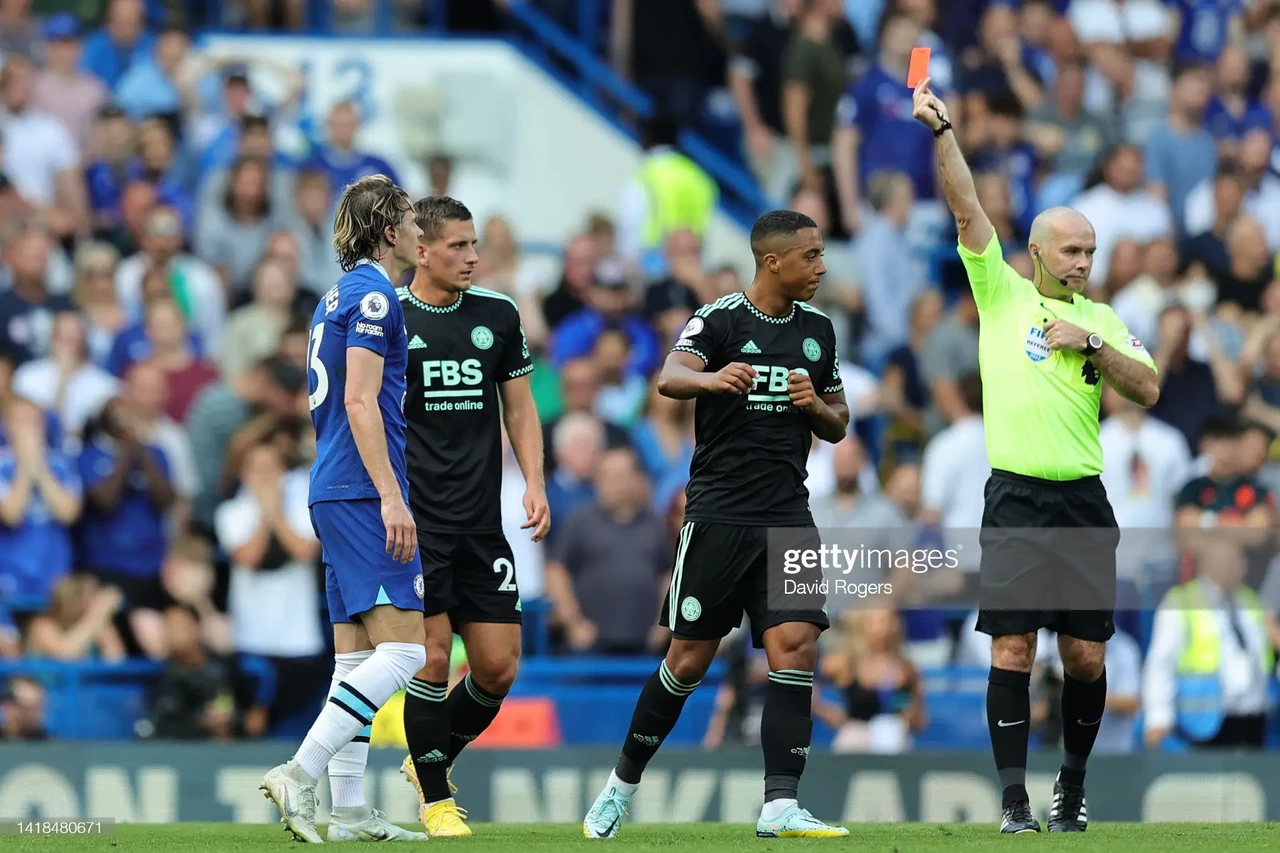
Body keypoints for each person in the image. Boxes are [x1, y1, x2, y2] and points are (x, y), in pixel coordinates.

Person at [911, 78, 1160, 834]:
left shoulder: (1105, 318)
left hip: (1083, 500)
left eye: (1090, 250)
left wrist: (1091, 343)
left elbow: (1147, 386)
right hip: (1016, 496)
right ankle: (1016, 799)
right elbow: (966, 206)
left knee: (1085, 657)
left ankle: (1072, 786)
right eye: (1072, 249)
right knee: (1013, 647)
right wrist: (944, 130)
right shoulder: (1003, 294)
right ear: (1038, 251)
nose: (1083, 261)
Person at [583, 210, 849, 839]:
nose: (821, 267)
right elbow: (669, 376)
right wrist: (713, 378)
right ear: (772, 262)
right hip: (719, 515)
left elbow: (839, 422)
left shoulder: (818, 331)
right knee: (689, 659)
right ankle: (620, 787)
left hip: (788, 513)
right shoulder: (721, 319)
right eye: (810, 256)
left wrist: (817, 407)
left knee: (797, 647)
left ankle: (780, 803)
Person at [258, 174, 427, 844]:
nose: (420, 231)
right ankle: (301, 769)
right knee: (406, 649)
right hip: (361, 487)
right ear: (388, 230)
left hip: (332, 484)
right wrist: (391, 492)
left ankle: (350, 809)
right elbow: (359, 399)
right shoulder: (376, 295)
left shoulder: (336, 293)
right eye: (412, 221)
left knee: (355, 659)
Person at [388, 196, 549, 836]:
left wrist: (534, 481)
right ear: (421, 251)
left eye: (474, 244)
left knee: (497, 665)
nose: (472, 256)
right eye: (458, 246)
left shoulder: (499, 315)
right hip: (416, 524)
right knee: (429, 655)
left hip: (483, 522)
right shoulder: (390, 319)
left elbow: (521, 409)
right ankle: (435, 800)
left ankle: (429, 758)